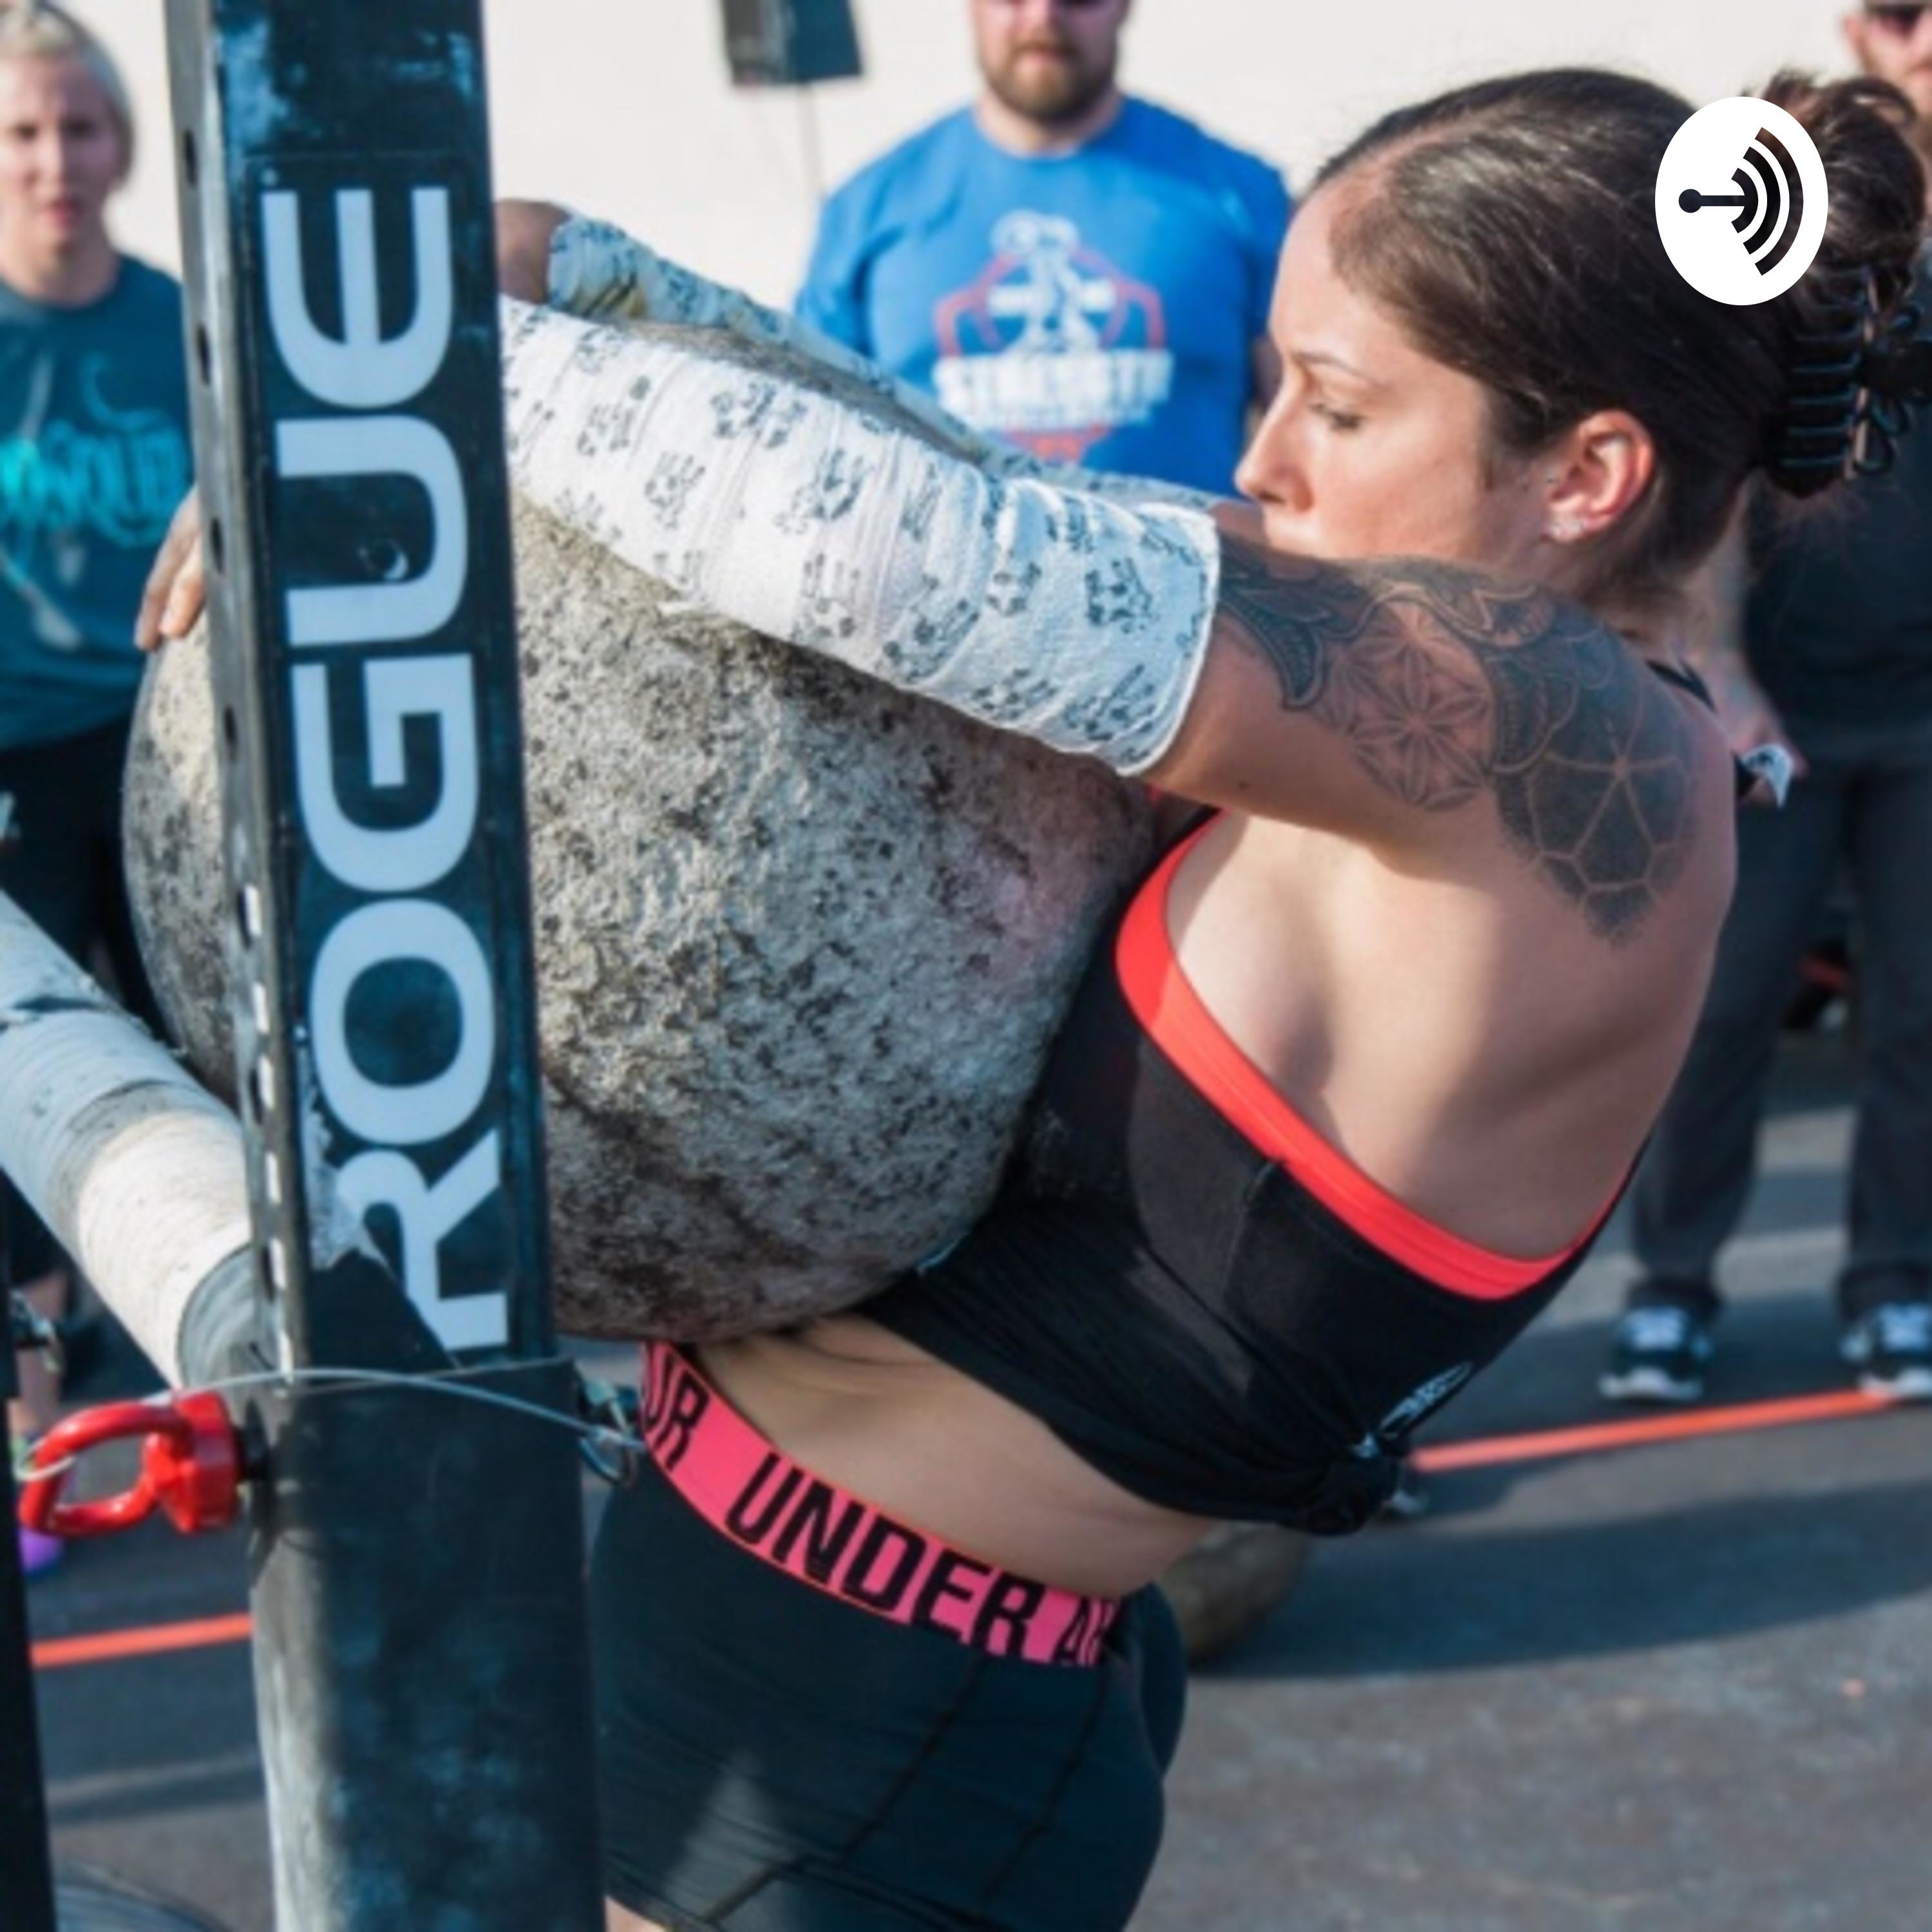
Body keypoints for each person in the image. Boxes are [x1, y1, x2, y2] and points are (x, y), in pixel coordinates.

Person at [152, 67, 1924, 1932]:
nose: (1266, 458)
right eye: (1271, 383)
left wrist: (362, 382)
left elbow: (904, 554)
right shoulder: (1425, 652)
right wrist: (542, 273)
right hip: (791, 1650)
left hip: (860, 1748)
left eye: (1336, 404)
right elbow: (932, 467)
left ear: (1587, 475)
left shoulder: (1563, 737)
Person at [1601, 3, 1932, 1406]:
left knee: (1917, 1022)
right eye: (1902, 10)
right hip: (1775, 711)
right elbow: (1711, 470)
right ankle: (1672, 1290)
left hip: (1922, 725)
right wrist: (1723, 673)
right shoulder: (1777, 208)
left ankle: (1896, 1282)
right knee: (1725, 1010)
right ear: (1863, 29)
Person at [0, 3, 191, 1580]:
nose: (54, 160)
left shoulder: (178, 326)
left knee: (201, 1060)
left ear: (123, 143)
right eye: (21, 133)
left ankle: (228, 1384)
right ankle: (36, 1425)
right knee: (22, 1086)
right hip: (14, 763)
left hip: (165, 750)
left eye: (79, 127)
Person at [795, 0, 1290, 493]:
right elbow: (812, 449)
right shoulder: (866, 210)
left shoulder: (1241, 194)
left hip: (1196, 546)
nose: (1044, 17)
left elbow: (1309, 438)